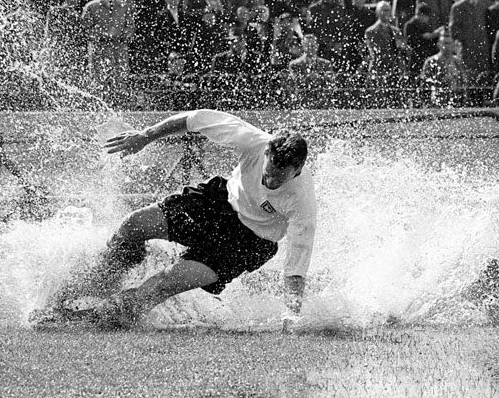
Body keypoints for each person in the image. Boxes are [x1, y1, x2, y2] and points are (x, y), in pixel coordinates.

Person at [36, 109, 316, 328]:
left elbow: (296, 266)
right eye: (268, 172)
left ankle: (104, 318)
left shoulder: (302, 202)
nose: (269, 180)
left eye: (279, 178)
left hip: (246, 244)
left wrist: (290, 319)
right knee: (134, 225)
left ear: (298, 169)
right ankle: (101, 279)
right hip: (218, 203)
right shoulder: (254, 141)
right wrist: (145, 136)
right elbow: (194, 119)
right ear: (266, 151)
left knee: (165, 283)